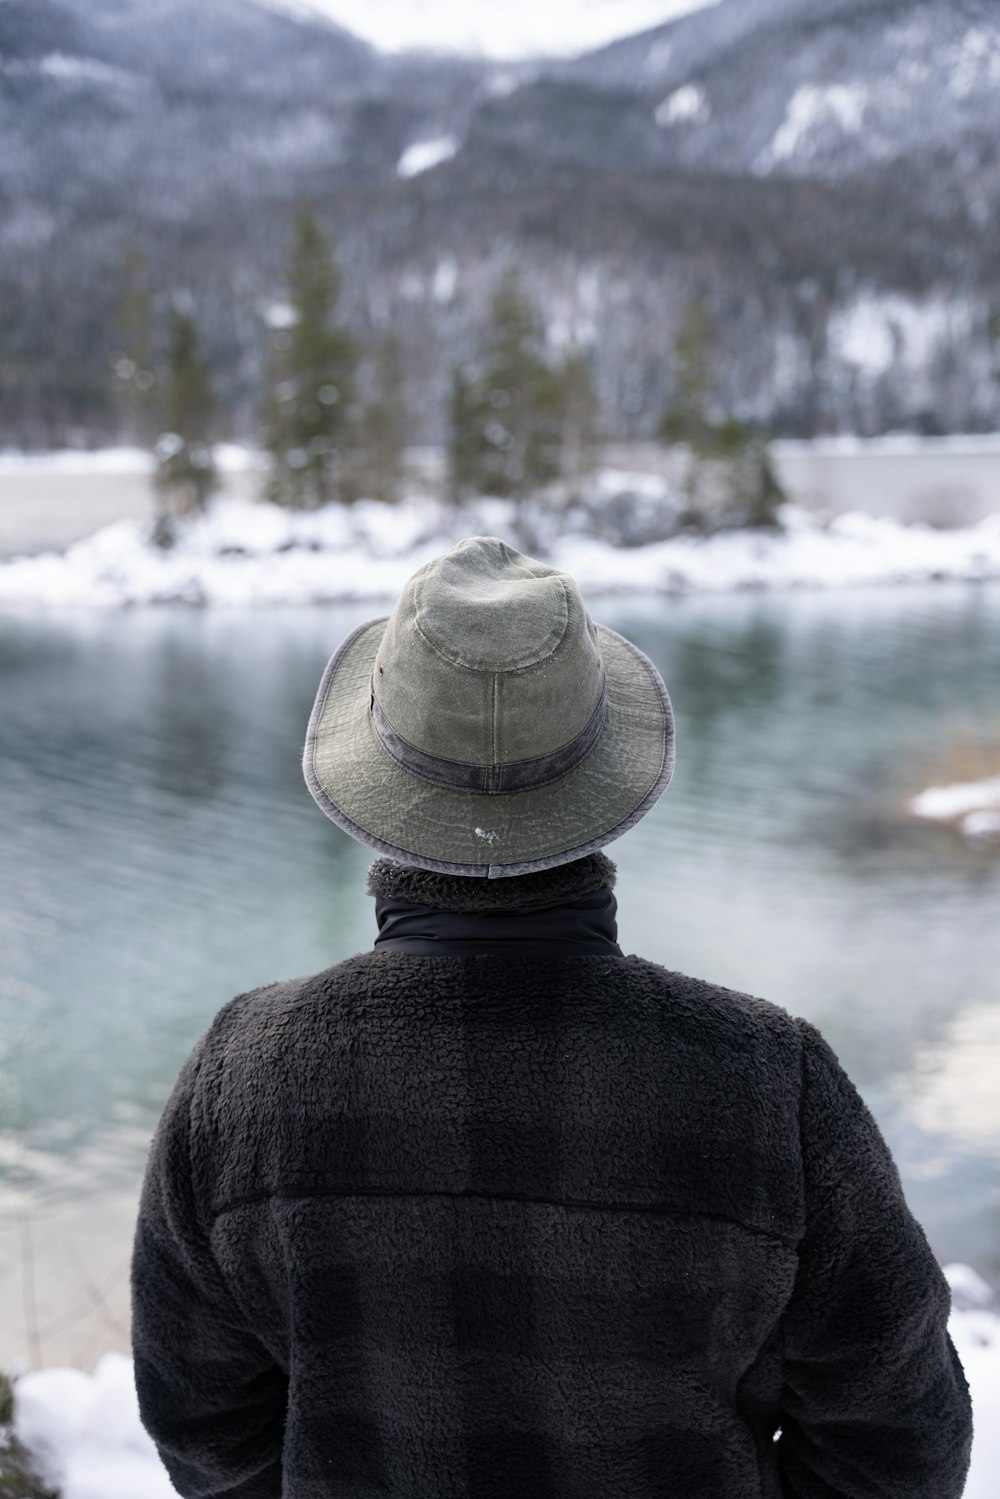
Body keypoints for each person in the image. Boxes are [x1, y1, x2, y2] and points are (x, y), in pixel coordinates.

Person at [130, 535, 973, 1499]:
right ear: (603, 781)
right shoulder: (765, 1075)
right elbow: (899, 1442)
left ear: (377, 776)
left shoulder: (244, 1073)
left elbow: (205, 1428)